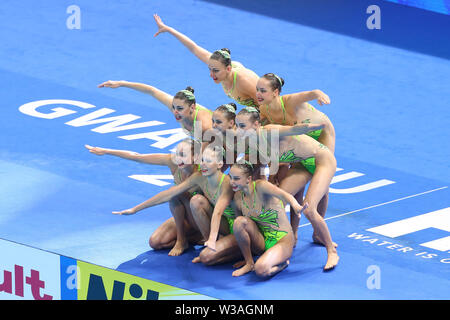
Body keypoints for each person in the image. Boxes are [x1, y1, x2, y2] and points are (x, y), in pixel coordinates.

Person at [235, 107, 339, 270]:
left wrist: (316, 127)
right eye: (237, 126)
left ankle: (331, 251)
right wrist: (265, 185)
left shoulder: (268, 132)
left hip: (322, 161)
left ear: (256, 125)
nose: (239, 130)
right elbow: (260, 167)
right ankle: (289, 239)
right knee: (275, 200)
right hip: (302, 165)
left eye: (243, 126)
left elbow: (293, 130)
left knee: (309, 209)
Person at [112, 145, 242, 264]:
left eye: (208, 161)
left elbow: (219, 212)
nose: (203, 164)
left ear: (220, 164)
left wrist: (213, 240)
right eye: (202, 160)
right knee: (192, 201)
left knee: (206, 258)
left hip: (235, 227)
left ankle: (233, 250)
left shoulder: (227, 184)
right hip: (216, 223)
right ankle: (203, 242)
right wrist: (135, 209)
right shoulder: (199, 177)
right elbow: (169, 193)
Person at [255, 73, 336, 243]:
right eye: (257, 90)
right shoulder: (264, 109)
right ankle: (293, 233)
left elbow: (313, 93)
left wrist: (320, 95)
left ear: (276, 92)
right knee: (295, 185)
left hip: (322, 135)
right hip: (302, 140)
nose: (258, 94)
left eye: (263, 90)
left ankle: (318, 233)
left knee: (322, 183)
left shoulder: (290, 101)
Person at [85, 139, 202, 256]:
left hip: (201, 217)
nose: (178, 158)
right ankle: (195, 237)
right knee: (155, 242)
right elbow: (138, 157)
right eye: (177, 153)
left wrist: (135, 209)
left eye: (183, 155)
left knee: (175, 194)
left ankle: (182, 240)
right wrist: (106, 151)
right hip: (186, 216)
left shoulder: (201, 172)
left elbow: (167, 195)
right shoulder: (173, 162)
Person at [152, 14, 261, 112]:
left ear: (228, 68)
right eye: (210, 69)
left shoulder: (244, 81)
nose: (211, 74)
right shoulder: (219, 62)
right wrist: (169, 29)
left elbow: (268, 108)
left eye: (216, 71)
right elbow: (194, 48)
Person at [229, 162, 306, 277]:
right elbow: (241, 231)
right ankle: (249, 263)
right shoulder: (238, 198)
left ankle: (282, 264)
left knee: (261, 270)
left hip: (282, 239)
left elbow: (284, 195)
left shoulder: (261, 187)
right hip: (262, 240)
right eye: (230, 178)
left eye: (236, 178)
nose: (232, 182)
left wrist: (296, 206)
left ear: (248, 179)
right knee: (239, 222)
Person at [98, 81, 212, 141]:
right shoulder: (178, 107)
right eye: (173, 107)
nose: (175, 112)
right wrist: (121, 83)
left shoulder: (202, 123)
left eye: (180, 109)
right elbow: (151, 91)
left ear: (192, 108)